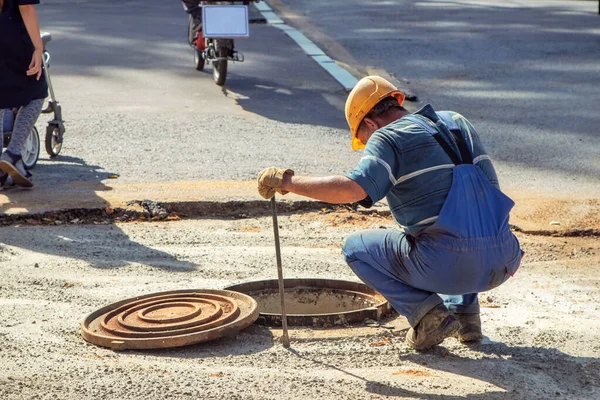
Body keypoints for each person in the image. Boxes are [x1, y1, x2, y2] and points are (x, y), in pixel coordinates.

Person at [257, 76, 523, 351]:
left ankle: (428, 316)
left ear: (370, 123)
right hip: (503, 260)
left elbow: (353, 189)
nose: (366, 145)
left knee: (356, 248)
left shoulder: (388, 136)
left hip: (449, 265)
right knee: (465, 219)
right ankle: (466, 319)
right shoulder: (456, 122)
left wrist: (286, 182)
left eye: (363, 139)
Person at [0, 0, 48, 188]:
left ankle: (2, 170)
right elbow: (26, 6)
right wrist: (38, 48)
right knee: (36, 92)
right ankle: (12, 154)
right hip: (11, 36)